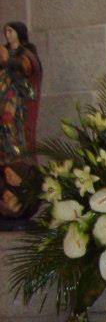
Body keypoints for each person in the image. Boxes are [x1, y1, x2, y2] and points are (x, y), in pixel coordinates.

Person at [0, 22, 43, 221]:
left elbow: (27, 67)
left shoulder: (27, 53)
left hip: (18, 106)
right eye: (6, 31)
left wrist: (8, 59)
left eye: (11, 31)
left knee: (12, 128)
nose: (8, 34)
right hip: (3, 102)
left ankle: (16, 164)